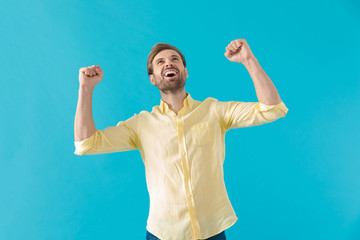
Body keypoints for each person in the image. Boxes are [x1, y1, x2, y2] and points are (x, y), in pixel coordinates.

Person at [74, 39, 289, 240]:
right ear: (152, 78)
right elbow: (86, 144)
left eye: (175, 59)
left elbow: (272, 109)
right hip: (163, 234)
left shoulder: (214, 110)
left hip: (212, 230)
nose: (169, 63)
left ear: (185, 72)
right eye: (160, 62)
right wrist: (86, 88)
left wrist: (248, 60)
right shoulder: (141, 124)